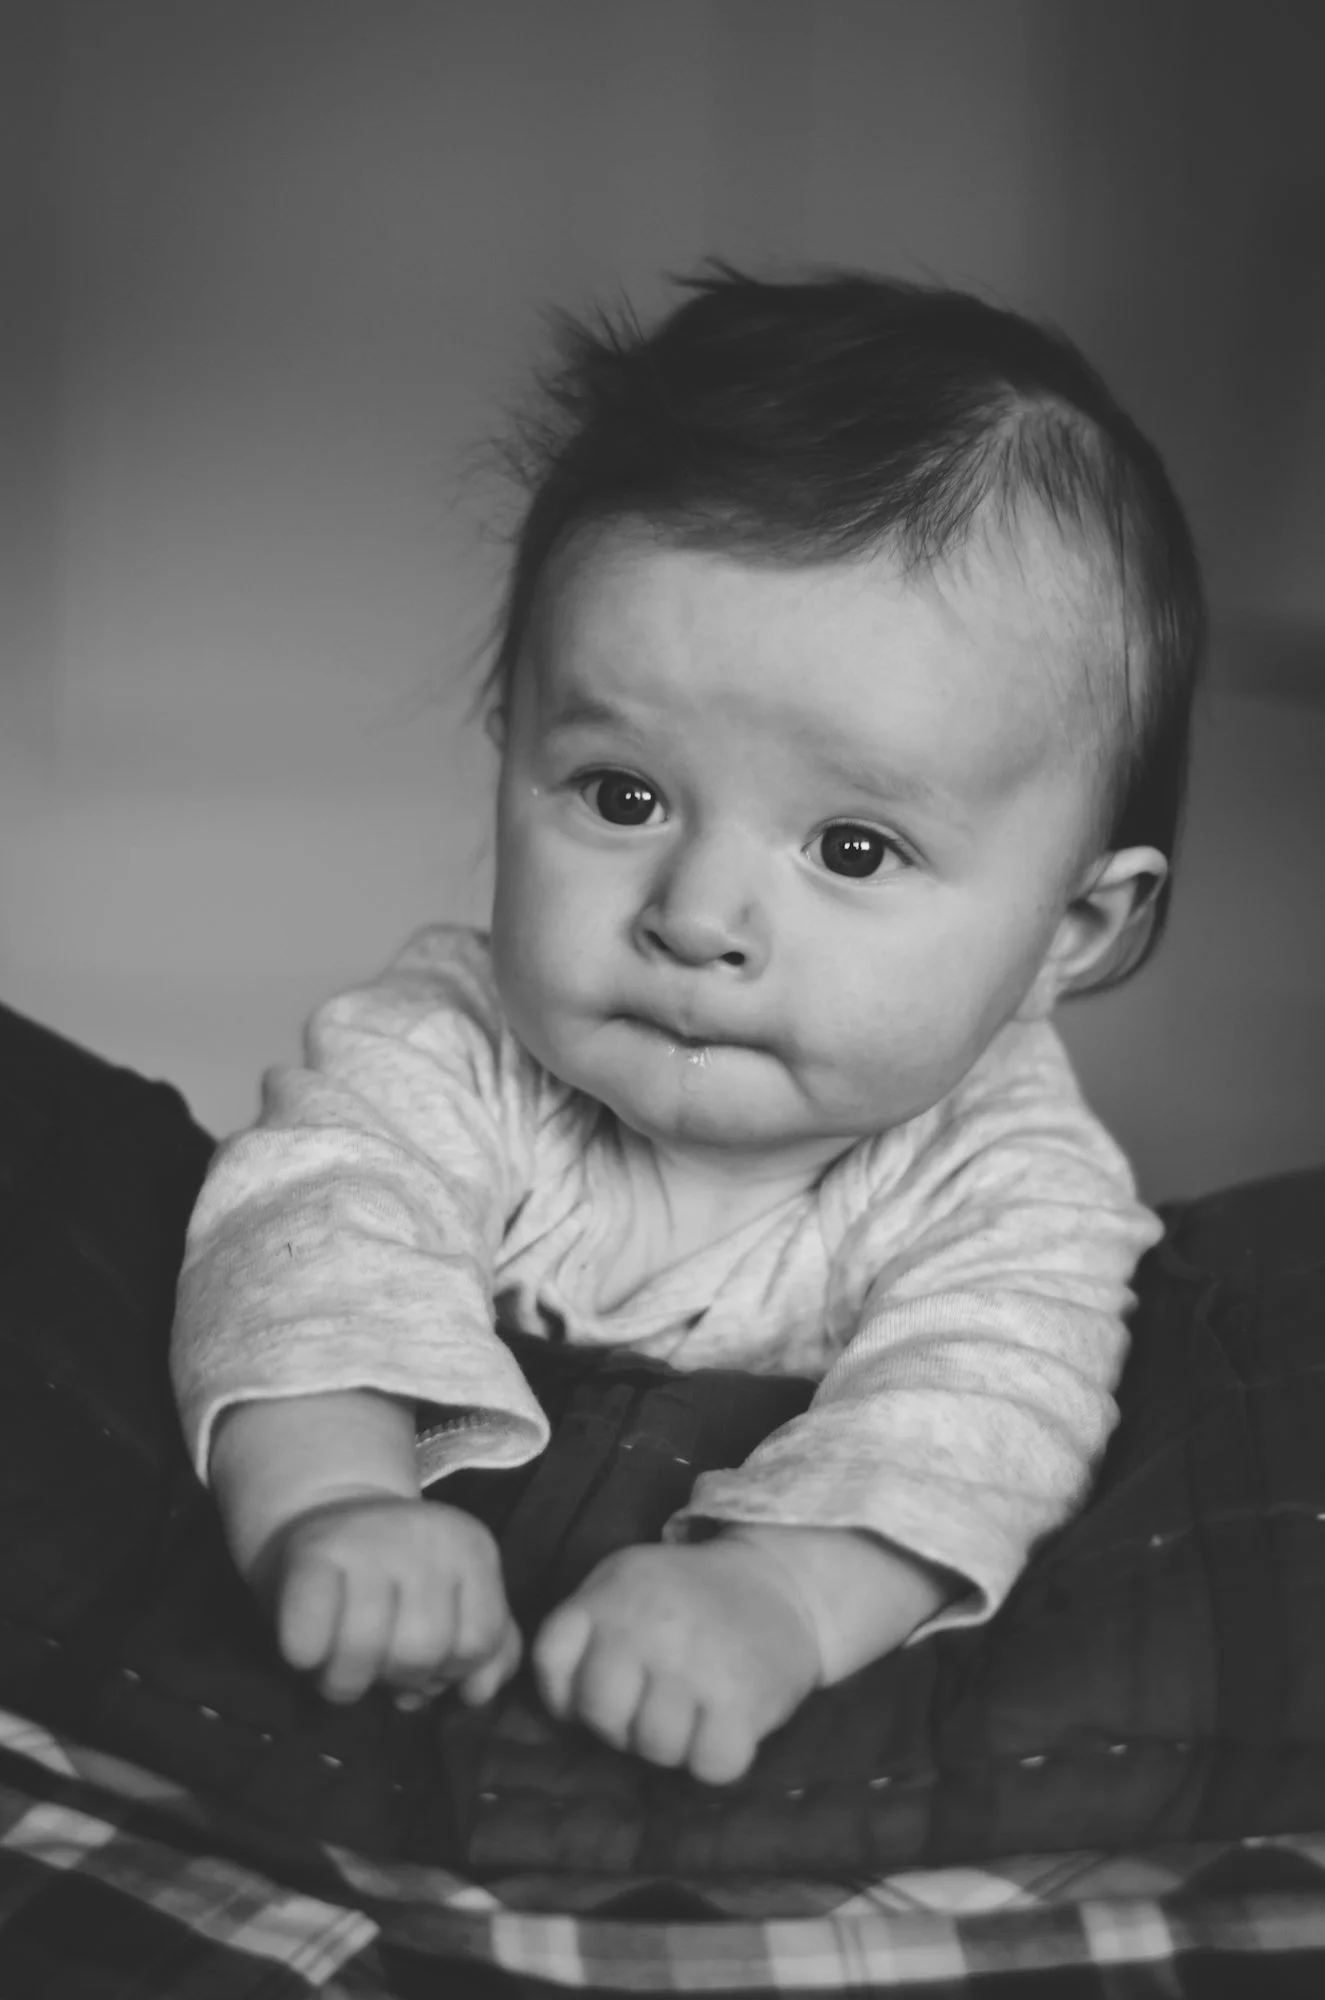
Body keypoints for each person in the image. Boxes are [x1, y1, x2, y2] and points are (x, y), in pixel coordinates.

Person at [170, 266, 1205, 1787]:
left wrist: (776, 1597)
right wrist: (335, 1501)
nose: (698, 914)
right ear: (510, 756)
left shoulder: (1012, 1183)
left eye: (853, 847)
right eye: (623, 794)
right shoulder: (445, 1042)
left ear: (1071, 931)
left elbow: (979, 1415)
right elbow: (311, 1236)